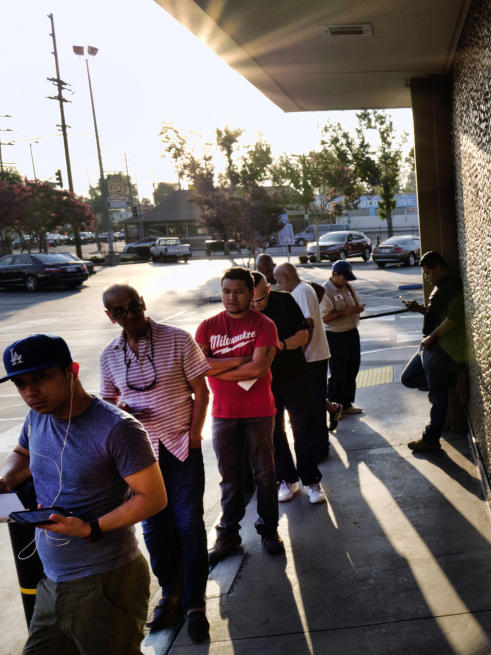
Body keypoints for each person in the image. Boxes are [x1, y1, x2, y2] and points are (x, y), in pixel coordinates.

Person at [0, 334, 166, 654]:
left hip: (105, 582)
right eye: (20, 384)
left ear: (70, 371)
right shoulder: (37, 416)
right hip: (52, 581)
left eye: (40, 378)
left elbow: (154, 496)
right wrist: (6, 479)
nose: (30, 392)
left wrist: (92, 528)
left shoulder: (118, 428)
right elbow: (22, 453)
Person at [99, 285, 212, 642]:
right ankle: (171, 595)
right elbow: (106, 404)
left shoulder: (177, 339)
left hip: (180, 447)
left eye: (135, 306)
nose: (130, 314)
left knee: (188, 524)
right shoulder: (109, 356)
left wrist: (194, 435)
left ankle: (195, 603)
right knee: (154, 529)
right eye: (121, 311)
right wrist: (124, 412)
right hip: (140, 459)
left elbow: (202, 391)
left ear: (144, 304)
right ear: (110, 317)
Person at [195, 267, 284, 562]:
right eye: (226, 291)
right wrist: (242, 359)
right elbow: (200, 367)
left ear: (252, 293)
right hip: (223, 414)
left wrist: (222, 368)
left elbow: (259, 369)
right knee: (229, 478)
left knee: (265, 474)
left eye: (239, 291)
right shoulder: (207, 326)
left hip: (259, 411)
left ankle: (269, 530)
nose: (231, 297)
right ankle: (228, 535)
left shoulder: (265, 325)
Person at [251, 271, 326, 504]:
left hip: (294, 375)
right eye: (251, 301)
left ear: (268, 290)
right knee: (274, 432)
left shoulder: (285, 300)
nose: (256, 305)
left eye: (260, 300)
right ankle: (287, 479)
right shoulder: (244, 311)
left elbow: (303, 335)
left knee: (302, 427)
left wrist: (279, 346)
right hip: (265, 382)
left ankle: (311, 480)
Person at [400, 251, 466, 452]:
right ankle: (452, 381)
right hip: (428, 346)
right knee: (408, 378)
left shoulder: (452, 285)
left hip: (437, 347)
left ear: (438, 267)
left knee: (437, 396)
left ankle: (431, 438)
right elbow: (438, 314)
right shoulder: (439, 287)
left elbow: (453, 318)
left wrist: (433, 337)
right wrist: (420, 309)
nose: (426, 277)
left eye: (428, 272)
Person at [274, 262, 333, 455]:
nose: (277, 284)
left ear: (286, 276)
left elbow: (309, 324)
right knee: (313, 402)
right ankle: (318, 443)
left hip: (313, 357)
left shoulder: (301, 292)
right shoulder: (303, 289)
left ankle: (320, 447)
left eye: (278, 280)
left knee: (315, 403)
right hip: (314, 355)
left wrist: (301, 355)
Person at [319, 260, 365, 416]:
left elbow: (354, 303)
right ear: (335, 274)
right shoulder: (325, 291)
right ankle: (334, 406)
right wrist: (346, 312)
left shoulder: (348, 287)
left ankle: (346, 404)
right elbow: (323, 318)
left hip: (351, 332)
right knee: (338, 372)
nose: (347, 281)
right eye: (345, 277)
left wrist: (357, 309)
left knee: (352, 368)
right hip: (335, 336)